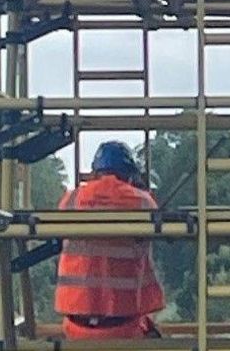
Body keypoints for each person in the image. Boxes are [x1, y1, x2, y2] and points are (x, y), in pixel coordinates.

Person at [55, 142, 165, 340]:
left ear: (95, 172)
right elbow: (153, 211)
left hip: (76, 328)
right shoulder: (142, 202)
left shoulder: (71, 199)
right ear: (130, 174)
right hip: (122, 329)